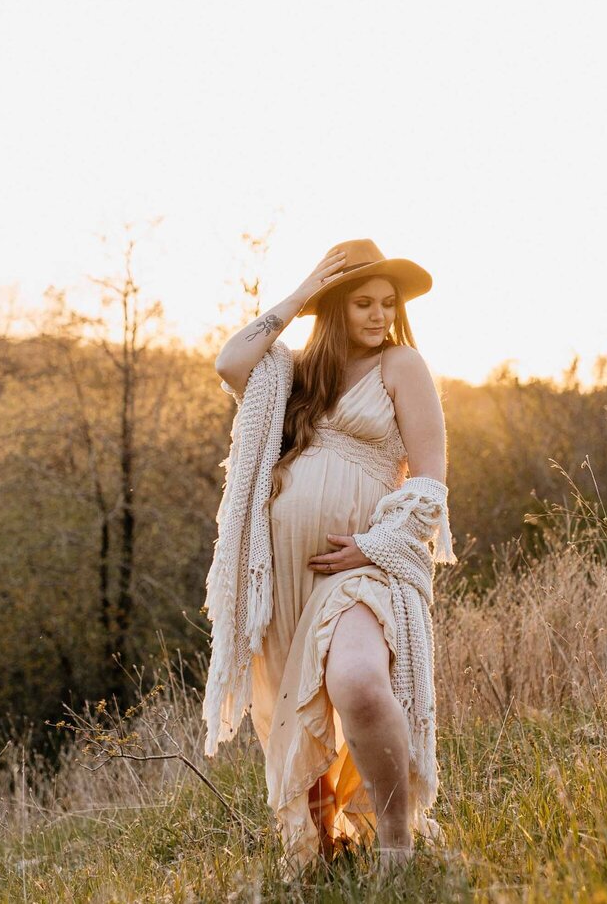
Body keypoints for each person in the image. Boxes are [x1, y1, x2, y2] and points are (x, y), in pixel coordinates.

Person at [206, 238, 457, 877]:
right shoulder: (292, 373)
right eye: (362, 303)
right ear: (334, 307)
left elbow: (429, 484)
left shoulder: (403, 366)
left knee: (359, 684)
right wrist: (303, 290)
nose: (378, 315)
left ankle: (398, 843)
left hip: (364, 565)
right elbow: (230, 361)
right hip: (285, 577)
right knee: (298, 718)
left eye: (387, 303)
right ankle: (326, 853)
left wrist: (373, 546)